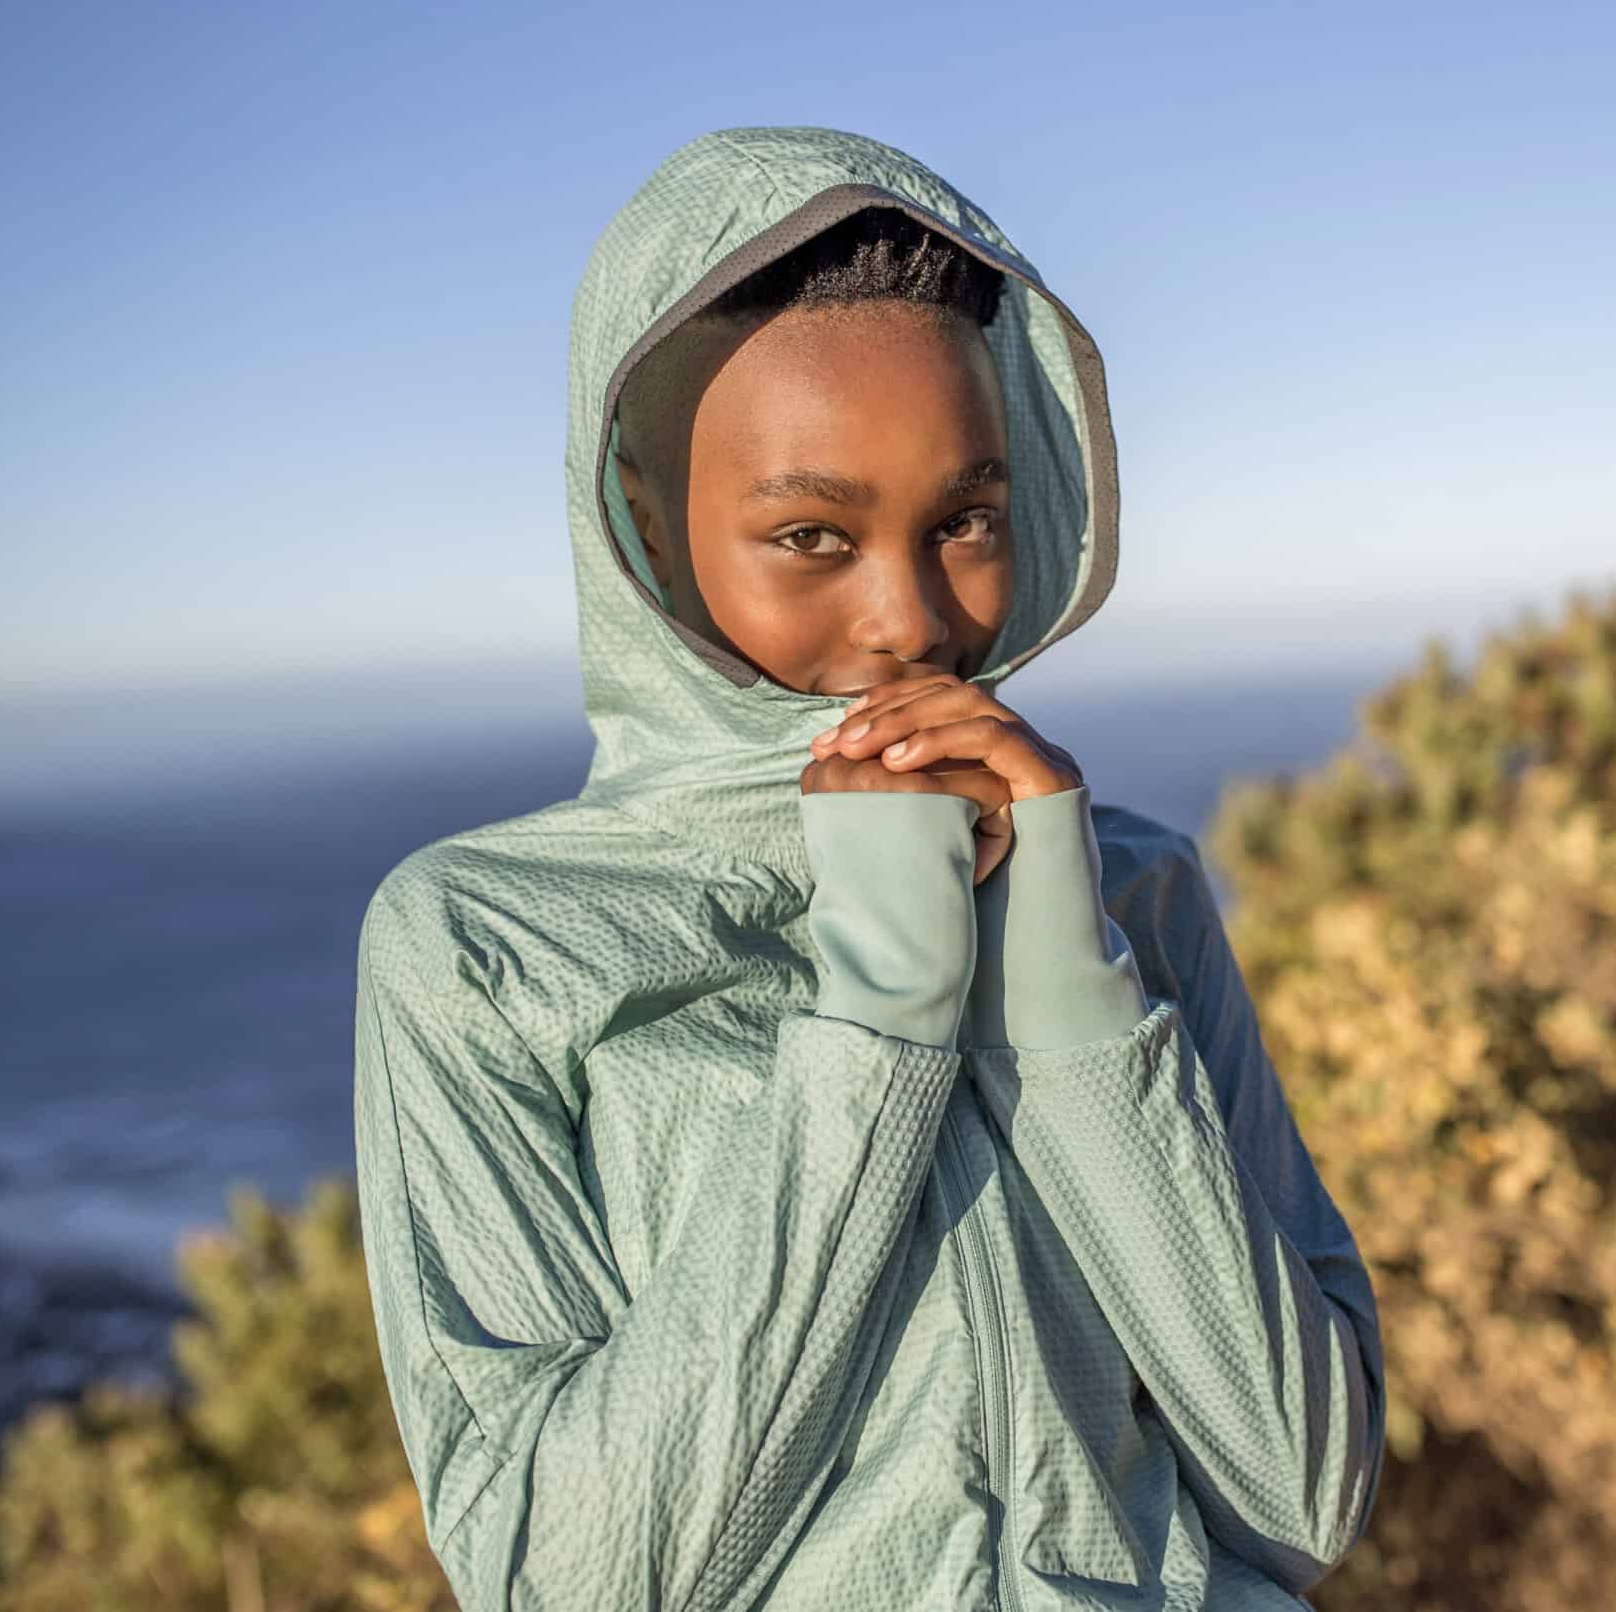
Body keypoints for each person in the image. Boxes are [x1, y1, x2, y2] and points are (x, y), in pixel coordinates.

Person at [350, 125, 1385, 1612]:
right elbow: (564, 1583)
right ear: (643, 529)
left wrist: (1059, 972)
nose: (908, 617)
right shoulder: (485, 942)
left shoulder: (1131, 887)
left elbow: (1307, 1492)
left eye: (963, 520)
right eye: (812, 534)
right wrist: (885, 1009)